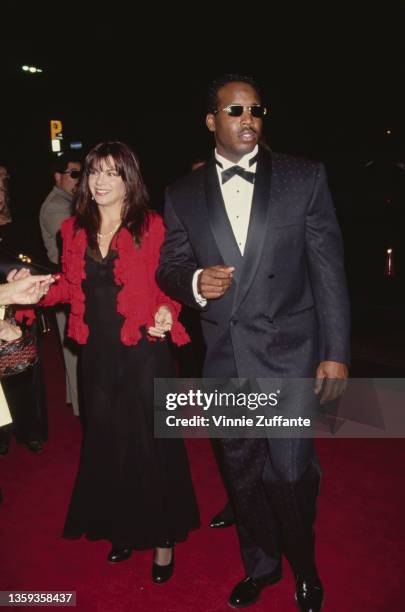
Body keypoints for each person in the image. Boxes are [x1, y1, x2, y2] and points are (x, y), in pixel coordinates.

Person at [157, 74, 350, 610]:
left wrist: (335, 352)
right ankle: (262, 567)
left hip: (289, 352)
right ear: (210, 121)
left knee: (287, 473)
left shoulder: (302, 177)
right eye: (235, 111)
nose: (248, 119)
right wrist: (195, 283)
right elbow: (170, 265)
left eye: (256, 110)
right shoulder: (181, 193)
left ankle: (305, 566)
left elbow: (328, 270)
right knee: (242, 475)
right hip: (225, 358)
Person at [40, 141, 199, 583]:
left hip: (145, 350)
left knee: (151, 444)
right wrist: (27, 288)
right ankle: (122, 527)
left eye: (111, 172)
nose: (100, 181)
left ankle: (164, 539)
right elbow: (68, 288)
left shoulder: (152, 226)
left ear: (129, 178)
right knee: (108, 441)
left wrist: (168, 311)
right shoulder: (73, 229)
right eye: (94, 172)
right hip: (98, 353)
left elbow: (169, 285)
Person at [0, 166, 51, 454]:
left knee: (27, 373)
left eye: (1, 187)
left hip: (22, 311)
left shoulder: (22, 225)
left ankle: (31, 430)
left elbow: (39, 262)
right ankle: (3, 435)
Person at [39, 154, 81, 416]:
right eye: (73, 174)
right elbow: (71, 247)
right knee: (76, 352)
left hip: (70, 283)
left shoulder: (68, 202)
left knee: (74, 348)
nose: (79, 179)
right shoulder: (56, 205)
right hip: (66, 285)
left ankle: (74, 400)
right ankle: (82, 409)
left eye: (81, 173)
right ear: (58, 176)